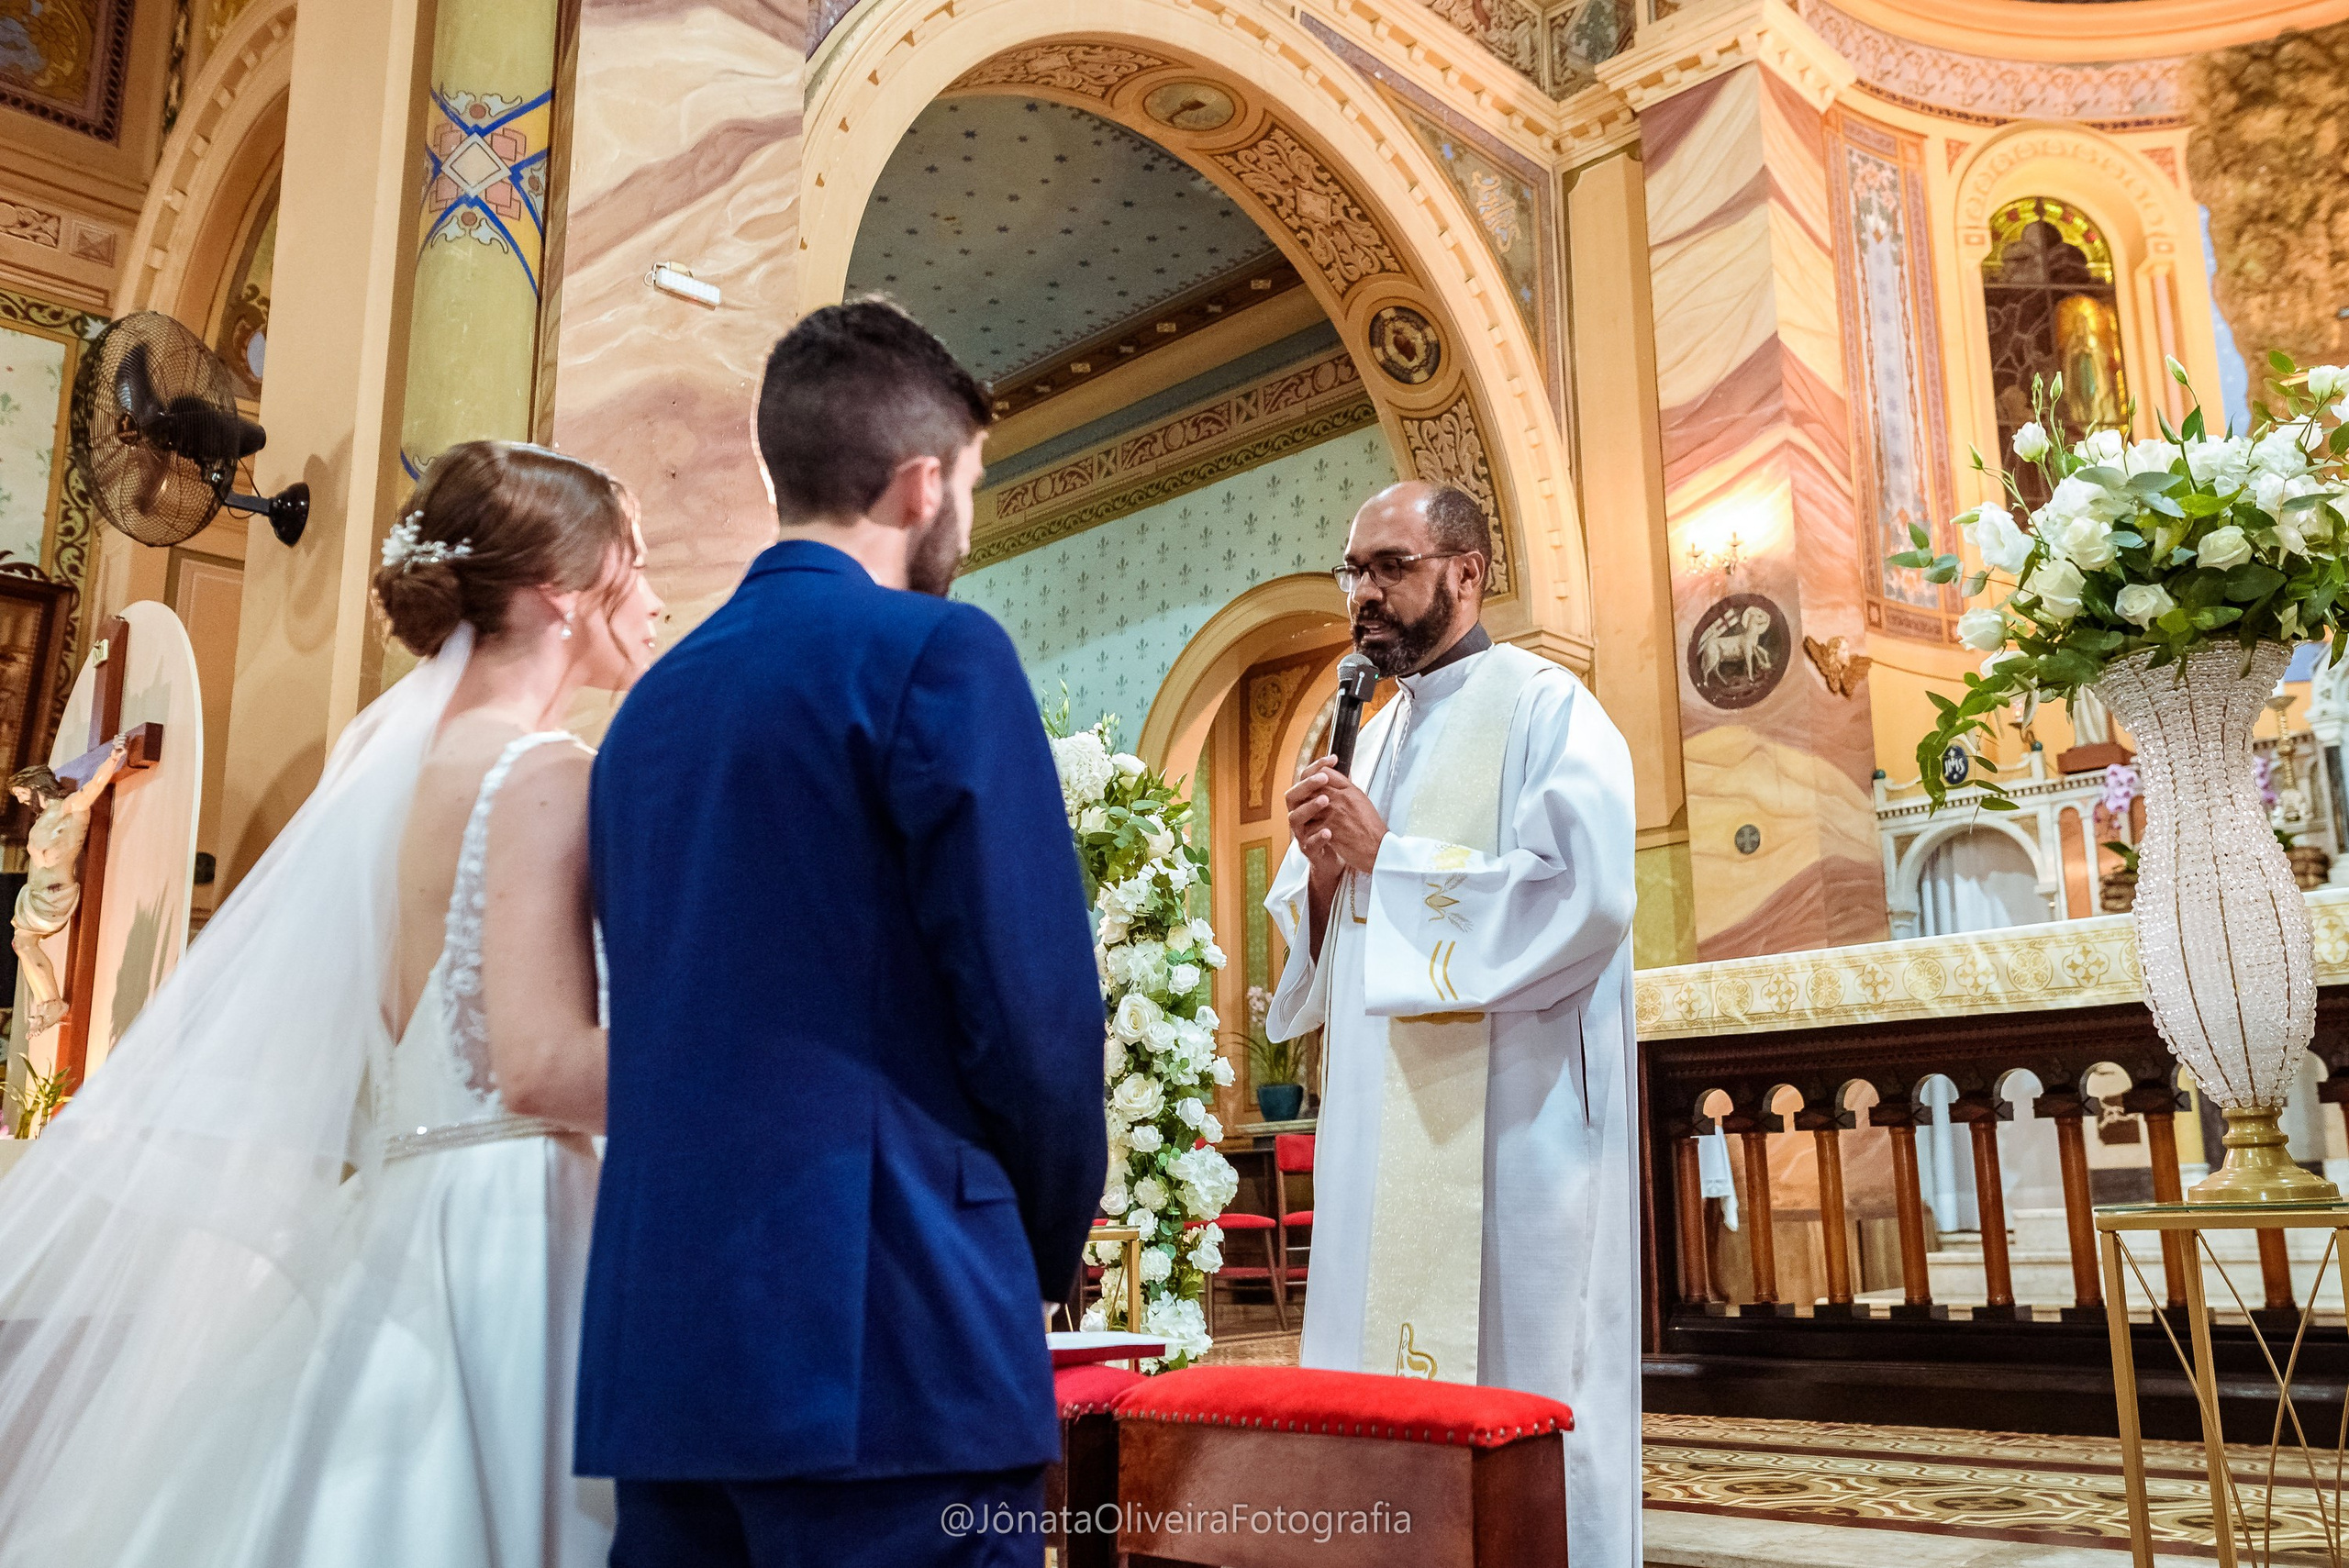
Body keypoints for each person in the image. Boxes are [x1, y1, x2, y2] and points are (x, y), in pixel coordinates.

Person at [0, 439, 665, 1567]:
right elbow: (535, 1064)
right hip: (513, 1223)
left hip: (410, 1206)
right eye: (635, 561)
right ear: (561, 590)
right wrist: (754, 1056)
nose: (653, 595)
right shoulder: (543, 769)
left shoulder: (396, 767)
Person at [582, 299, 1106, 1568]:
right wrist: (1035, 1245)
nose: (964, 517)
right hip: (894, 1330)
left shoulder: (650, 708)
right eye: (969, 484)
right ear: (921, 483)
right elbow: (1033, 1012)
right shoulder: (935, 653)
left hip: (671, 1342)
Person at [1265, 479, 1641, 1566]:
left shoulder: (1546, 709)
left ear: (1466, 573)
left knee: (1522, 1367)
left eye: (1391, 567)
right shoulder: (1369, 733)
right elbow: (1323, 946)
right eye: (1353, 570)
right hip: (1380, 1124)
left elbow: (1587, 894)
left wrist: (1388, 856)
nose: (1363, 593)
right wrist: (1324, 877)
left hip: (1514, 1126)